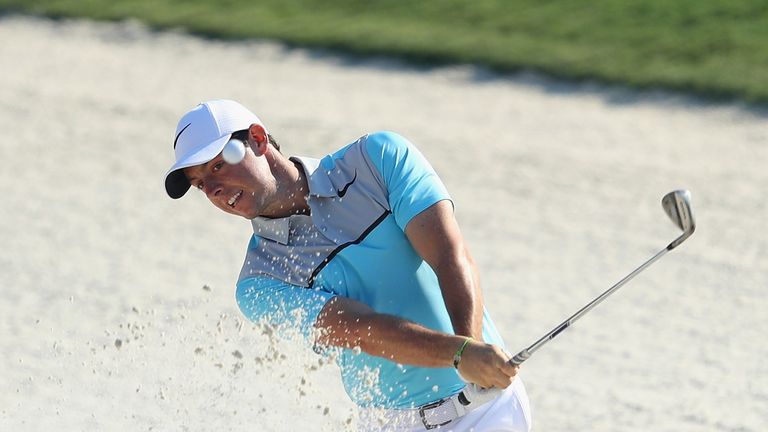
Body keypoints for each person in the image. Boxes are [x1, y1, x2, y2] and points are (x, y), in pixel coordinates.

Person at [164, 99, 531, 431]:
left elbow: (449, 254)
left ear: (258, 140)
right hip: (393, 424)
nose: (212, 189)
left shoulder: (376, 160)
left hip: (488, 412)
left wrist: (472, 353)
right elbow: (359, 329)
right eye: (200, 184)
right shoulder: (259, 281)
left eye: (216, 166)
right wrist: (461, 355)